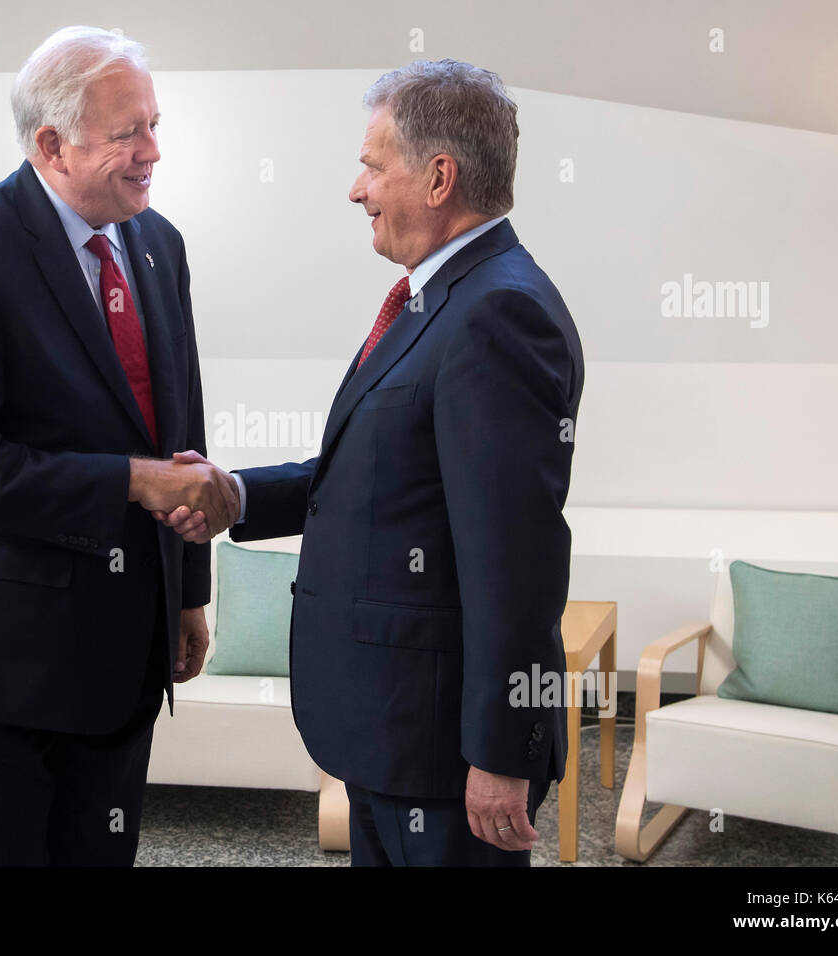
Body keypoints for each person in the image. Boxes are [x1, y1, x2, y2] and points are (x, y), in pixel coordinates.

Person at [160, 60, 584, 866]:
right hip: (390, 732)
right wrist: (238, 496)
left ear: (438, 178)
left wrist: (500, 752)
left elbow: (515, 558)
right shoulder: (445, 297)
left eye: (370, 165)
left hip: (442, 749)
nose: (357, 190)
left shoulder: (500, 313)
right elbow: (379, 475)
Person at [0, 25, 237, 865]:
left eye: (155, 124)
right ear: (51, 144)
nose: (153, 151)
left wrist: (187, 592)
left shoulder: (159, 244)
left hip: (122, 654)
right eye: (129, 135)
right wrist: (129, 482)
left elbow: (178, 430)